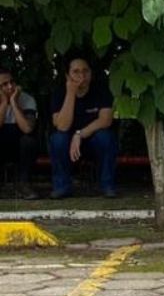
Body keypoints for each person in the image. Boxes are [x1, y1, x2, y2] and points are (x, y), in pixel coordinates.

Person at [49, 54, 118, 199]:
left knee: (106, 137)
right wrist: (70, 93)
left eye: (85, 71)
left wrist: (79, 134)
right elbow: (61, 126)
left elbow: (106, 120)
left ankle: (107, 186)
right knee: (57, 139)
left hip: (92, 140)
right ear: (67, 76)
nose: (82, 75)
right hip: (68, 144)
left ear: (91, 73)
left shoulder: (101, 90)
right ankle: (62, 187)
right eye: (76, 71)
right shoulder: (59, 93)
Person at [0, 67, 39, 199]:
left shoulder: (27, 99)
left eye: (12, 82)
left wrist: (14, 103)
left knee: (29, 141)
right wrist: (4, 104)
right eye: (4, 84)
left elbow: (27, 129)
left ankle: (24, 184)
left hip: (20, 147)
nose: (10, 86)